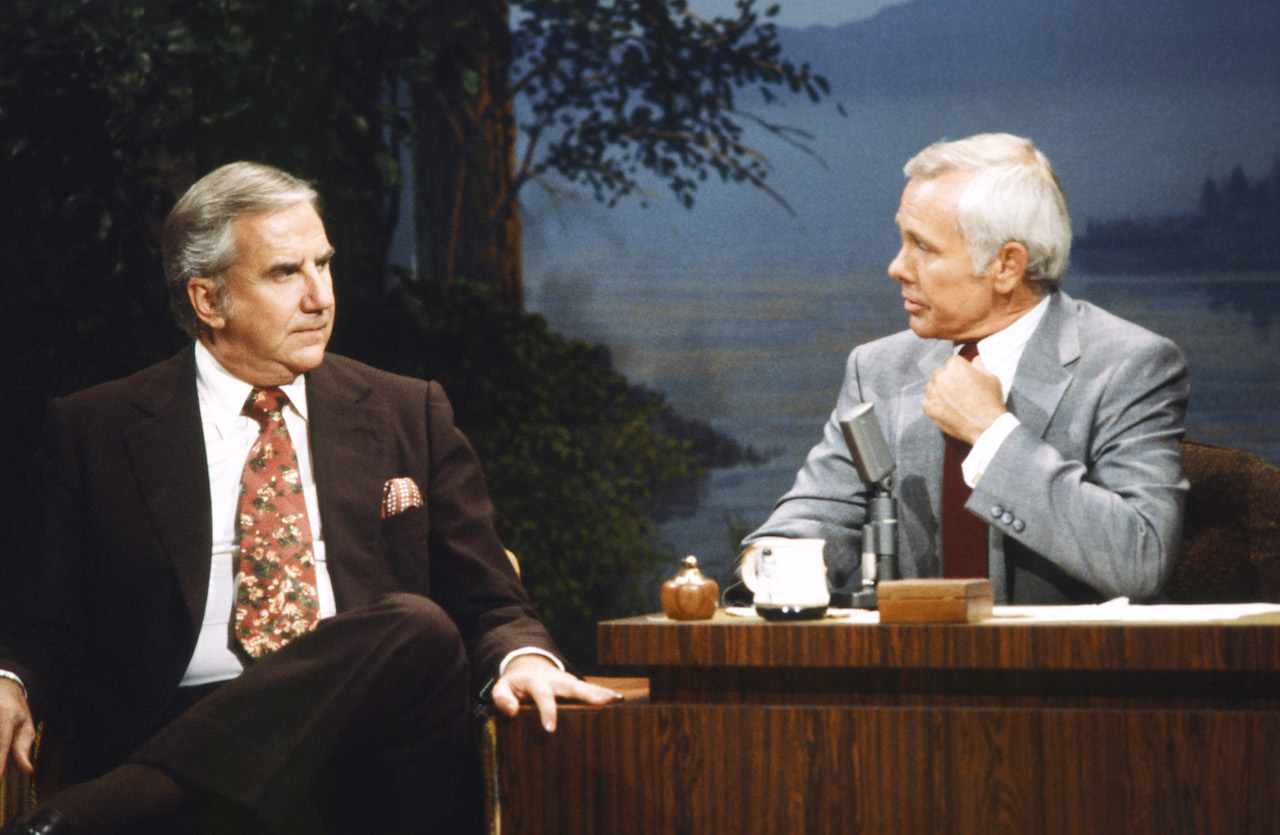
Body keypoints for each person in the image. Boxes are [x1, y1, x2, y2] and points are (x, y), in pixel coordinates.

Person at [0, 161, 620, 834]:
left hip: (370, 747)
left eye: (324, 265)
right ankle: (161, 789)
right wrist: (9, 679)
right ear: (208, 300)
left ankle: (86, 816)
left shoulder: (409, 410)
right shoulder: (97, 428)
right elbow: (41, 622)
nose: (320, 297)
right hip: (175, 725)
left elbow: (491, 598)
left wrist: (523, 656)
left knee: (418, 627)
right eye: (284, 273)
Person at [740, 133, 1189, 605]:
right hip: (909, 670)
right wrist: (767, 567)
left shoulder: (1129, 365)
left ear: (1006, 266)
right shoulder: (878, 369)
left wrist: (993, 434)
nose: (896, 266)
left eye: (924, 247)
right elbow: (813, 518)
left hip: (1059, 672)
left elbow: (1141, 561)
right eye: (902, 240)